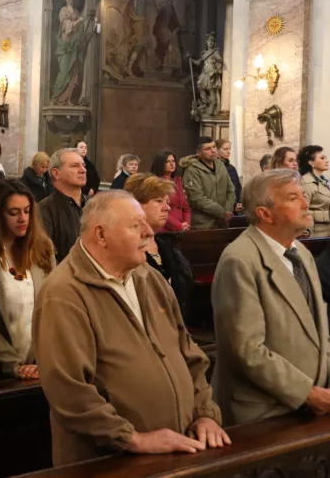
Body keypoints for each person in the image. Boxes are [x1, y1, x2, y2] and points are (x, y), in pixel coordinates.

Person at [34, 191, 228, 466]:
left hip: (176, 449)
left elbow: (189, 354)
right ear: (101, 235)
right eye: (136, 225)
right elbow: (68, 389)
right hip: (110, 461)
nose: (149, 231)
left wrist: (204, 413)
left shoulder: (149, 279)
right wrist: (133, 438)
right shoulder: (64, 293)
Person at [211, 169, 330, 424]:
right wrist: (307, 393)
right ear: (265, 213)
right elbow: (246, 350)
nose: (305, 204)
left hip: (311, 400)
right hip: (266, 410)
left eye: (302, 196)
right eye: (292, 198)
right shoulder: (240, 259)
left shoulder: (302, 254)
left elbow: (318, 329)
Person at [0, 179, 55, 380]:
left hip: (41, 364)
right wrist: (12, 364)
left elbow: (55, 307)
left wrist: (44, 360)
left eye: (26, 211)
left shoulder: (43, 248)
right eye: (14, 213)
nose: (23, 218)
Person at [124, 173, 195, 320]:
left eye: (167, 202)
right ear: (136, 204)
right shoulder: (126, 249)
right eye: (158, 201)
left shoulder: (167, 246)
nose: (167, 208)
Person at [39, 148, 88, 262]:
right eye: (75, 166)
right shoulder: (44, 210)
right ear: (56, 173)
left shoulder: (95, 205)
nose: (83, 170)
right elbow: (46, 258)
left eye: (83, 165)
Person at [183, 136, 235, 230]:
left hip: (223, 222)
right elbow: (197, 198)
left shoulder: (221, 165)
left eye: (214, 147)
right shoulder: (192, 170)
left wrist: (228, 210)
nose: (213, 151)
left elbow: (230, 190)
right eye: (208, 149)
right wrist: (221, 213)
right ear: (199, 153)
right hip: (203, 224)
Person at [151, 150, 191, 232]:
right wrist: (179, 225)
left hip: (182, 229)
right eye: (167, 162)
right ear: (160, 164)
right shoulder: (156, 182)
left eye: (173, 161)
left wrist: (186, 224)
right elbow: (160, 210)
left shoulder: (177, 181)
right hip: (165, 229)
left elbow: (186, 208)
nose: (172, 164)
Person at [301, 145, 330, 237]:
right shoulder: (306, 183)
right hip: (315, 236)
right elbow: (302, 212)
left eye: (325, 158)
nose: (327, 160)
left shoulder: (323, 181)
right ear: (311, 162)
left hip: (326, 234)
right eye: (322, 158)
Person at [216, 138, 241, 208]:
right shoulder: (214, 167)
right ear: (217, 150)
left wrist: (239, 202)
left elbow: (238, 187)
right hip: (221, 207)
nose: (228, 152)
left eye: (229, 149)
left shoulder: (231, 168)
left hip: (234, 207)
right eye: (225, 149)